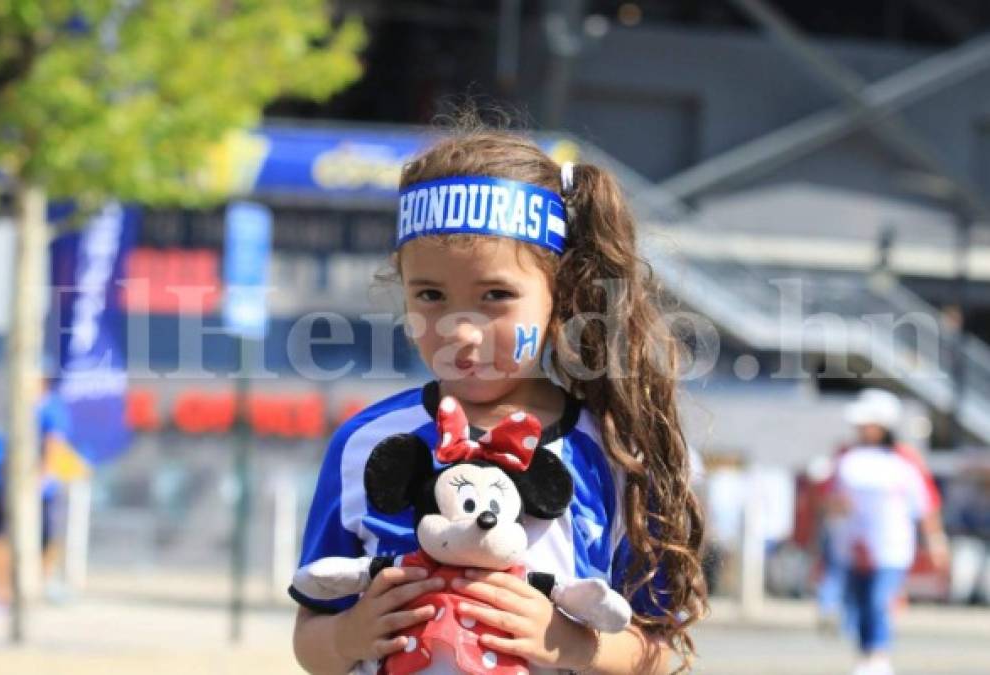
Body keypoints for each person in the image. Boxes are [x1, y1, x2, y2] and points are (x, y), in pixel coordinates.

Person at [290, 127, 706, 674]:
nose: (462, 331)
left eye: (496, 296)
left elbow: (656, 652)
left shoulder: (612, 453)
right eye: (430, 295)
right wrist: (350, 633)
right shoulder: (362, 444)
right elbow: (309, 641)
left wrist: (573, 644)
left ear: (562, 296)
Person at [825, 389, 949, 675]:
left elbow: (926, 505)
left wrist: (936, 543)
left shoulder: (905, 460)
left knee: (879, 600)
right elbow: (832, 499)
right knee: (857, 602)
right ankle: (866, 654)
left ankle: (879, 656)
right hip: (853, 547)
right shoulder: (847, 456)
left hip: (890, 547)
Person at [0, 381, 82, 606]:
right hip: (10, 480)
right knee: (0, 533)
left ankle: (35, 585)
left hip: (40, 485)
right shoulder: (19, 405)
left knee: (49, 536)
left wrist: (41, 479)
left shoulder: (51, 409)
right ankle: (2, 590)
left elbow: (54, 445)